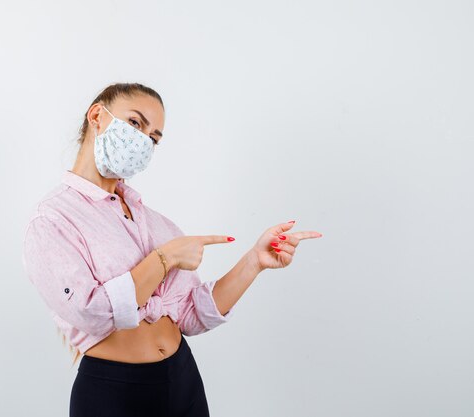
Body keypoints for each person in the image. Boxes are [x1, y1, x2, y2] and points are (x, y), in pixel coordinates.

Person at [21, 82, 323, 417]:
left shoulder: (153, 222)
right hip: (114, 394)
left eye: (153, 137)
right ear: (97, 116)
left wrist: (255, 260)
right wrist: (164, 259)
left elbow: (192, 315)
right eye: (135, 123)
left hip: (183, 381)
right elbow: (89, 313)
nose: (143, 140)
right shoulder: (51, 221)